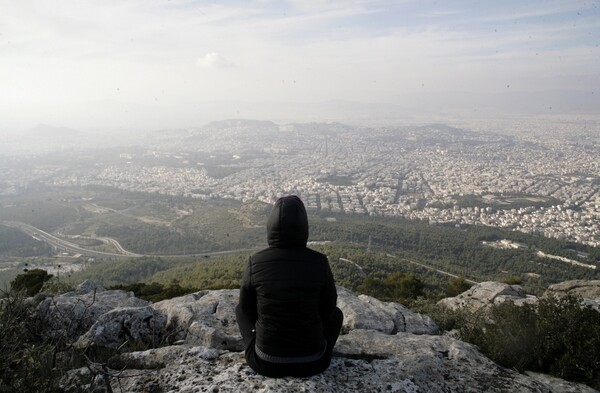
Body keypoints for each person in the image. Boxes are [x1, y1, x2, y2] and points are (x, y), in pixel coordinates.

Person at [235, 195, 343, 377]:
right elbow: (328, 309)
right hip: (315, 362)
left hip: (265, 362)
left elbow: (247, 308)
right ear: (304, 229)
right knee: (338, 315)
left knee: (239, 310)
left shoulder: (256, 262)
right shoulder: (319, 262)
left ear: (270, 228)